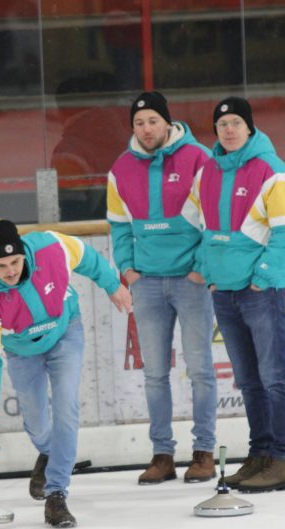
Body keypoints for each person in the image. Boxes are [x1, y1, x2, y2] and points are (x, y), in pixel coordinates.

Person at [0, 220, 131, 528]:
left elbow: (88, 257)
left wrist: (113, 285)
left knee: (66, 407)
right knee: (36, 418)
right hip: (21, 349)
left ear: (24, 254)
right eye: (1, 265)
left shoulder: (50, 246)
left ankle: (57, 493)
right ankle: (48, 451)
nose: (11, 270)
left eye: (15, 261)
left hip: (64, 334)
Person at [106, 91, 218, 486]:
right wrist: (127, 268)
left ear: (167, 122)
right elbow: (118, 224)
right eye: (139, 123)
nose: (146, 129)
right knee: (154, 373)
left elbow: (213, 216)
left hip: (190, 281)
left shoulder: (197, 158)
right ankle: (162, 454)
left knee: (201, 369)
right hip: (148, 284)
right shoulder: (121, 167)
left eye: (153, 120)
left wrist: (202, 268)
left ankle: (204, 452)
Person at [191, 98, 285, 493]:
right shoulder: (208, 172)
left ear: (250, 127)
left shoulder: (273, 171)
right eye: (222, 125)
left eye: (236, 122)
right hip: (225, 292)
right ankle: (260, 455)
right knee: (249, 381)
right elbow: (202, 228)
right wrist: (209, 273)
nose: (229, 130)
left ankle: (282, 461)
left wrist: (264, 277)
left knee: (273, 378)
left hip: (260, 292)